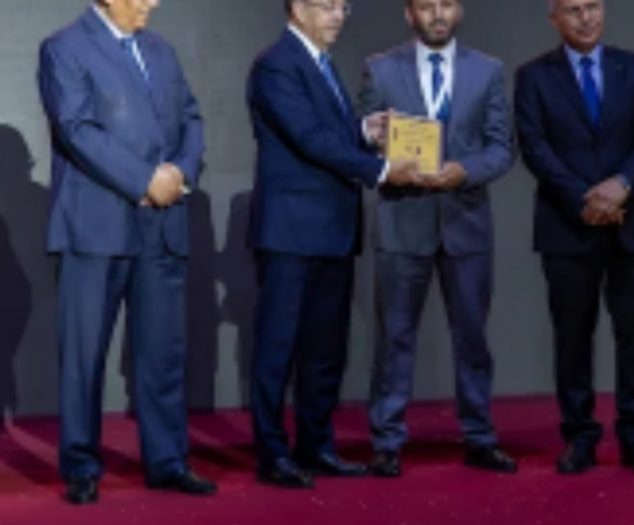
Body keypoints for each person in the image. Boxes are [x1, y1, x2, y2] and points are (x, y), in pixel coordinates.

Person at [37, 0, 216, 504]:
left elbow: (191, 117)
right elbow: (76, 129)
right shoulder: (65, 48)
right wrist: (143, 179)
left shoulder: (161, 50)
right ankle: (81, 465)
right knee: (84, 356)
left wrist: (180, 173)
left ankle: (168, 461)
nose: (152, 3)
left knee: (163, 353)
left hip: (162, 224)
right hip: (96, 227)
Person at [246, 0, 418, 489]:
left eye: (344, 7)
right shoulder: (276, 64)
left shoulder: (322, 63)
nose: (339, 15)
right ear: (297, 8)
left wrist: (364, 130)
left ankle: (316, 446)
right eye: (328, 5)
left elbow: (329, 133)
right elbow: (309, 139)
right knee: (278, 349)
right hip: (291, 232)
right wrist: (380, 169)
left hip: (333, 230)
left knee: (325, 350)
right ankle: (272, 454)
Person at [360, 0, 517, 478]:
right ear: (409, 14)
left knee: (472, 339)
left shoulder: (487, 70)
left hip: (465, 222)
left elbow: (501, 147)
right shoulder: (380, 68)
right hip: (402, 219)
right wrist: (373, 139)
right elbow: (360, 138)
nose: (438, 14)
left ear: (459, 10)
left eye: (446, 4)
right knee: (395, 338)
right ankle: (387, 441)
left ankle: (480, 437)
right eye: (426, 6)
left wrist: (464, 171)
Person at [514, 0, 634, 474]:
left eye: (593, 6)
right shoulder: (533, 76)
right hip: (567, 223)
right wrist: (584, 197)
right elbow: (534, 145)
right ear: (554, 18)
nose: (586, 18)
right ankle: (579, 436)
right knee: (572, 338)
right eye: (573, 9)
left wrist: (622, 185)